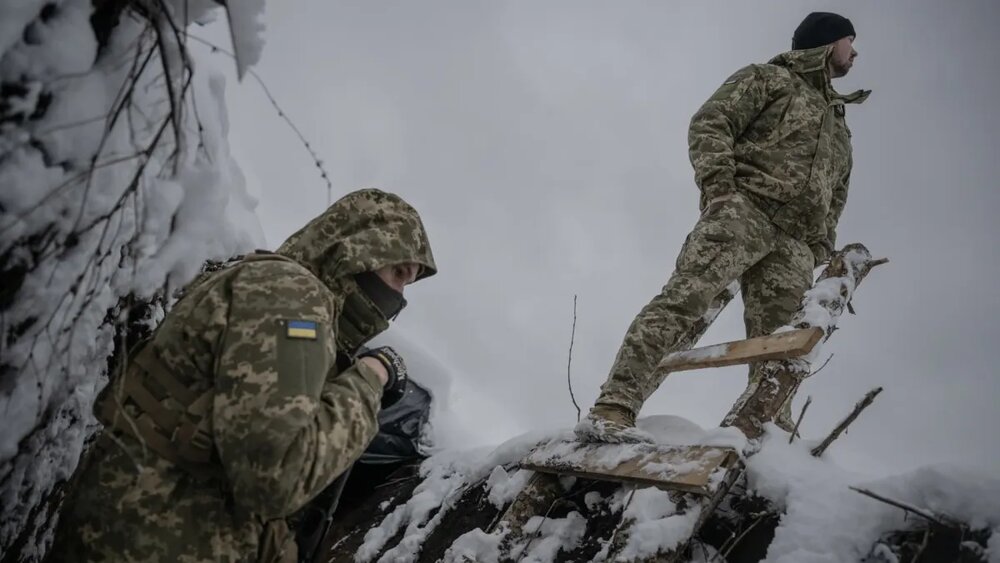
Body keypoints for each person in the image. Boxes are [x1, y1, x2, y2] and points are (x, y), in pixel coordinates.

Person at [49, 188, 437, 562]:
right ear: (359, 249)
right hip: (151, 540)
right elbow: (277, 476)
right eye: (398, 271)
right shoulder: (292, 295)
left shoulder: (286, 296)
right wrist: (371, 377)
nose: (400, 294)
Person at [576, 12, 870, 443]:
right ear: (827, 43)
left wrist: (821, 242)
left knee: (781, 344)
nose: (855, 51)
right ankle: (615, 405)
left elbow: (838, 191)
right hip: (743, 211)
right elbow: (712, 121)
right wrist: (721, 190)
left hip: (794, 243)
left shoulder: (839, 124)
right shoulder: (768, 79)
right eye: (850, 40)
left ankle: (765, 437)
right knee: (684, 303)